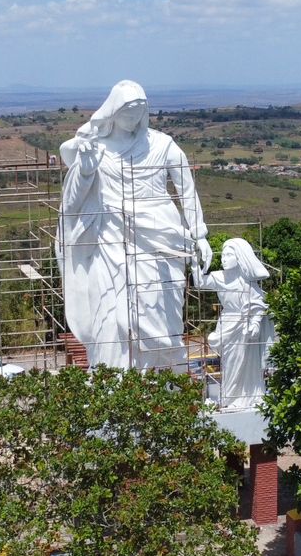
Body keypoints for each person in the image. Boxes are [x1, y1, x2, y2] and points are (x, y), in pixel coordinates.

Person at [59, 80, 210, 369]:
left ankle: (163, 382)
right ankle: (113, 382)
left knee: (161, 320)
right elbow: (72, 201)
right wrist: (87, 169)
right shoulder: (94, 147)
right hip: (111, 241)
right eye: (128, 113)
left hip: (160, 239)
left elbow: (187, 190)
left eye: (140, 113)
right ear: (113, 111)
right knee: (113, 316)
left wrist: (199, 234)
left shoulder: (163, 145)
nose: (134, 119)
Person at [195, 238, 275, 409]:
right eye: (223, 255)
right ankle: (230, 398)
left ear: (239, 257)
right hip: (228, 323)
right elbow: (200, 282)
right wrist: (197, 262)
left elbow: (258, 303)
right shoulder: (218, 277)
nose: (224, 258)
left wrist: (254, 324)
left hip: (245, 326)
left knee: (247, 363)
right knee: (230, 363)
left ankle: (246, 397)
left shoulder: (247, 282)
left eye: (229, 254)